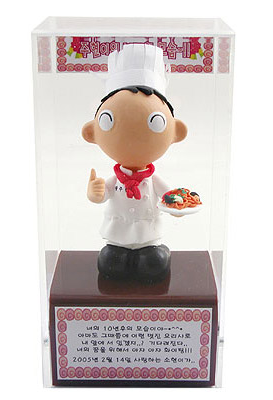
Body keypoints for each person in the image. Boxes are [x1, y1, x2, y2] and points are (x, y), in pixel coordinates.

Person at [82, 44, 187, 282]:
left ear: (176, 132)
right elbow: (103, 195)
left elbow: (170, 198)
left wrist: (178, 207)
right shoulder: (115, 180)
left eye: (155, 122)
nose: (131, 136)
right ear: (92, 132)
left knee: (153, 264)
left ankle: (150, 254)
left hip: (148, 236)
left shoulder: (153, 180)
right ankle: (120, 254)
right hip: (117, 235)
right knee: (110, 264)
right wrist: (95, 193)